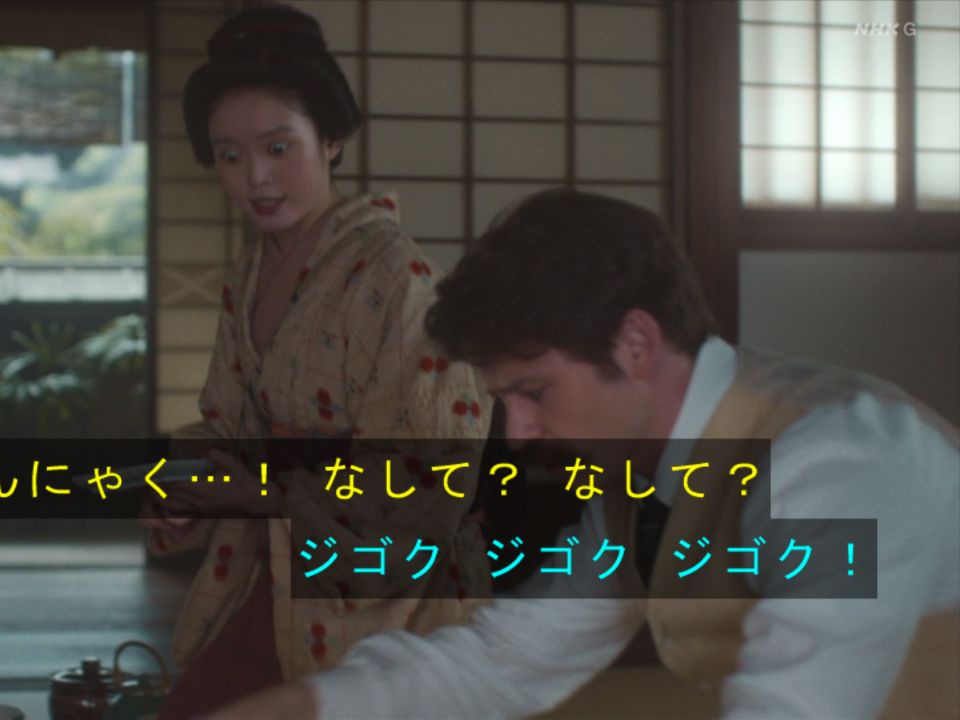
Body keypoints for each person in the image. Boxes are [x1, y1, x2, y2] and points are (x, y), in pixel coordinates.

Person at [210, 189, 960, 719]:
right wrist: (307, 706)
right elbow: (508, 660)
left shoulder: (838, 465)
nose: (517, 433)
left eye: (533, 390)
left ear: (634, 343)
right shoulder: (642, 484)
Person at [142, 6, 493, 717]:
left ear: (330, 140)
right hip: (273, 569)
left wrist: (267, 490)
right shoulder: (250, 272)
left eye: (279, 148)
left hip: (385, 596)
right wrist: (184, 492)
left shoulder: (397, 276)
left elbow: (433, 466)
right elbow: (228, 424)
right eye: (230, 156)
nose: (256, 178)